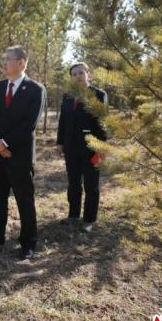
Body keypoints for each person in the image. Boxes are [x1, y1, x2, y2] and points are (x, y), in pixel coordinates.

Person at [0, 46, 45, 260]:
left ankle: (28, 243)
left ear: (22, 62)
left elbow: (29, 124)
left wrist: (5, 143)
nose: (4, 63)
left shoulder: (35, 89)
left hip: (20, 156)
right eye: (3, 59)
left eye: (8, 59)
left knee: (24, 200)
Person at [56, 62, 108, 233]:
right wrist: (60, 142)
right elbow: (63, 121)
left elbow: (103, 124)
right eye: (74, 74)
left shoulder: (99, 95)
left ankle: (89, 219)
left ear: (88, 74)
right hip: (71, 147)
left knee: (91, 186)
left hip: (91, 148)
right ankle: (73, 215)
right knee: (73, 183)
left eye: (81, 73)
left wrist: (101, 148)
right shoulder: (68, 96)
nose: (78, 76)